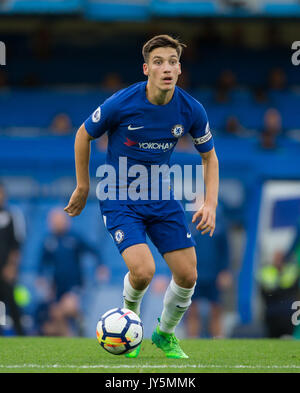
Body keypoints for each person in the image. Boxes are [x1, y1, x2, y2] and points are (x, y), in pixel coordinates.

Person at [65, 35, 219, 358]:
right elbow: (83, 134)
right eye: (159, 62)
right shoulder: (122, 103)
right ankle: (129, 319)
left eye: (173, 62)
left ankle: (164, 334)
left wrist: (210, 203)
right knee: (144, 270)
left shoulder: (191, 109)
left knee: (189, 273)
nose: (167, 68)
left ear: (179, 70)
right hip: (119, 196)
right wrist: (83, 186)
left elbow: (210, 157)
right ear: (146, 69)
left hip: (160, 195)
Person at [36, 208, 107, 336]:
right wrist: (40, 277)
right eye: (52, 220)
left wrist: (101, 266)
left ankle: (80, 320)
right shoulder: (48, 241)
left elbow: (94, 250)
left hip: (75, 284)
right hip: (57, 286)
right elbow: (42, 262)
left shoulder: (74, 237)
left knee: (67, 307)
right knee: (57, 315)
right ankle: (72, 338)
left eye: (58, 220)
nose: (54, 223)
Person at [185, 203, 232, 338]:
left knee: (216, 309)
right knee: (192, 310)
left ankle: (218, 339)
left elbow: (225, 250)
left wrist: (225, 271)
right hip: (193, 274)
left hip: (214, 274)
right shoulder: (187, 225)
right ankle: (192, 341)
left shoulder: (219, 225)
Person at [0, 182, 25, 336]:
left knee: (11, 301)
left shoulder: (12, 215)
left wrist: (11, 267)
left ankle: (21, 333)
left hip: (5, 269)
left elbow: (17, 244)